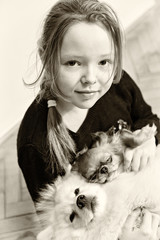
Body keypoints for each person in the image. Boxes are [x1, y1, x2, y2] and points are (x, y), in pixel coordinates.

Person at [17, 0, 160, 239]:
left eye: (104, 62)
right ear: (46, 57)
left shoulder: (116, 84)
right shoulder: (36, 144)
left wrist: (148, 138)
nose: (92, 78)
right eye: (73, 63)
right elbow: (62, 226)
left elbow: (149, 119)